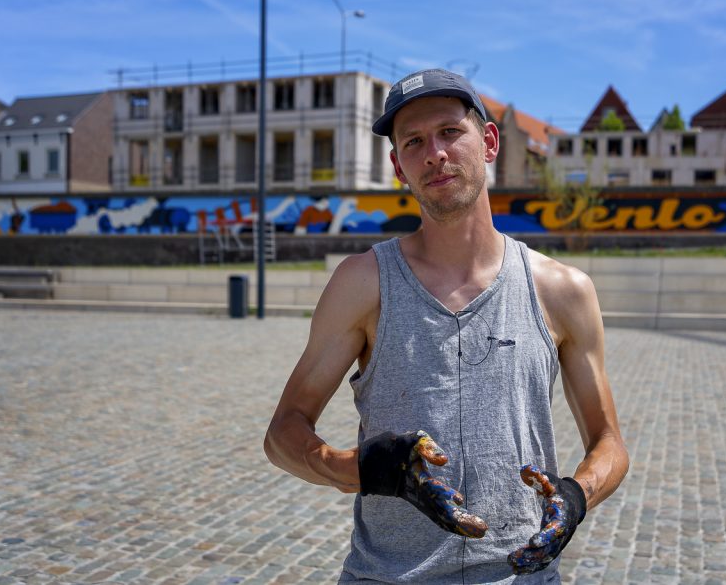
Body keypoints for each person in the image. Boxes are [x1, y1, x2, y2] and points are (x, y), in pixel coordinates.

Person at [264, 69, 629, 583]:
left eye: (450, 132)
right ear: (397, 165)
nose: (434, 152)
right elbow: (283, 433)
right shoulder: (363, 283)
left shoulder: (562, 289)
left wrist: (577, 495)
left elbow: (609, 440)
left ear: (489, 141)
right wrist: (362, 468)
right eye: (413, 141)